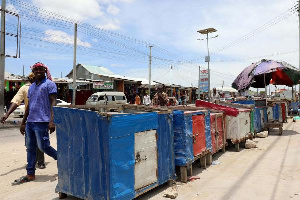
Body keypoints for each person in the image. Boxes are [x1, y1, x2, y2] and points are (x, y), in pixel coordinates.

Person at [13, 62, 57, 185]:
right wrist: (23, 122)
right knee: (30, 148)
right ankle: (30, 174)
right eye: (35, 69)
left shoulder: (50, 84)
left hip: (42, 121)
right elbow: (29, 106)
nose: (38, 71)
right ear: (33, 71)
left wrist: (52, 121)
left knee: (43, 147)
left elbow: (53, 102)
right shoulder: (31, 87)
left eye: (40, 69)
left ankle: (62, 160)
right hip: (30, 122)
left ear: (45, 70)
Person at [1, 73, 46, 169]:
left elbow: (16, 102)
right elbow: (16, 101)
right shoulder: (27, 88)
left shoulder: (42, 86)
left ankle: (38, 162)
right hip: (34, 119)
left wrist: (7, 114)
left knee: (36, 142)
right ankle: (36, 162)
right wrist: (7, 114)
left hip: (37, 119)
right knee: (35, 142)